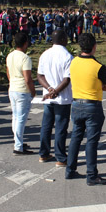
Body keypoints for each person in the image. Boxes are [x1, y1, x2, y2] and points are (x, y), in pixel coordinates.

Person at [66, 33, 106, 185]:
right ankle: (91, 175)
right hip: (92, 105)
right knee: (91, 142)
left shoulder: (73, 62)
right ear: (94, 47)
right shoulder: (98, 66)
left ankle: (70, 169)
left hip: (76, 104)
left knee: (75, 138)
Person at [37, 30, 73, 166]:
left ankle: (44, 153)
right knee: (60, 127)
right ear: (63, 38)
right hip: (62, 98)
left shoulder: (44, 54)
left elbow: (40, 76)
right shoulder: (67, 56)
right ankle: (60, 157)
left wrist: (49, 89)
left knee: (46, 126)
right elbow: (67, 79)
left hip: (48, 97)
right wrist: (55, 91)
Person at [6, 32, 36, 155]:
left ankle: (18, 140)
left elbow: (8, 72)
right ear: (25, 43)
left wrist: (12, 81)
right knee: (21, 119)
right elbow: (28, 78)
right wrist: (33, 91)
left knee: (15, 117)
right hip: (22, 90)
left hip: (12, 88)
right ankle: (18, 146)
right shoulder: (25, 58)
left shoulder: (10, 55)